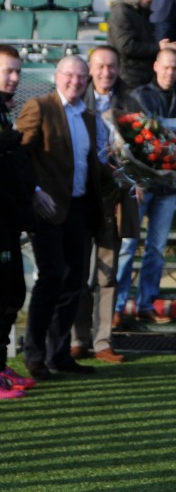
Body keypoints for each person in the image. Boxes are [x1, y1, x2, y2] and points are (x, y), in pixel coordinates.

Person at [17, 56, 103, 380]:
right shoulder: (40, 107)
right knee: (51, 278)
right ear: (57, 76)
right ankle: (35, 355)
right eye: (70, 75)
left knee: (74, 284)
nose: (75, 82)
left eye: (82, 77)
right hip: (49, 210)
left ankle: (60, 353)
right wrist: (36, 190)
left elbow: (93, 163)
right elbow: (20, 156)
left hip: (80, 209)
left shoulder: (90, 117)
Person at [114, 48, 176, 325]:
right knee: (128, 246)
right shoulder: (137, 96)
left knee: (156, 248)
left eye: (175, 68)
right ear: (155, 66)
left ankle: (146, 303)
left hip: (169, 186)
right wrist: (134, 181)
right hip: (142, 186)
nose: (170, 73)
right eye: (166, 67)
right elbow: (128, 144)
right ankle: (116, 306)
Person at [70, 46, 129, 364]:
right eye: (100, 66)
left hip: (112, 199)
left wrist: (135, 177)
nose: (106, 72)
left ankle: (103, 339)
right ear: (90, 70)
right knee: (79, 273)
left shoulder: (131, 103)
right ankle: (78, 339)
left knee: (107, 275)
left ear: (119, 69)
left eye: (112, 66)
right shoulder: (74, 99)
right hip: (79, 198)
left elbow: (145, 148)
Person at [0, 45, 37, 397]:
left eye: (17, 72)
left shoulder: (4, 111)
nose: (14, 78)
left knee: (12, 293)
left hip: (8, 219)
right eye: (7, 71)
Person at [107, 0, 176, 90]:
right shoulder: (122, 11)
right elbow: (126, 47)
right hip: (127, 78)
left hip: (140, 76)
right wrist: (159, 47)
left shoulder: (143, 13)